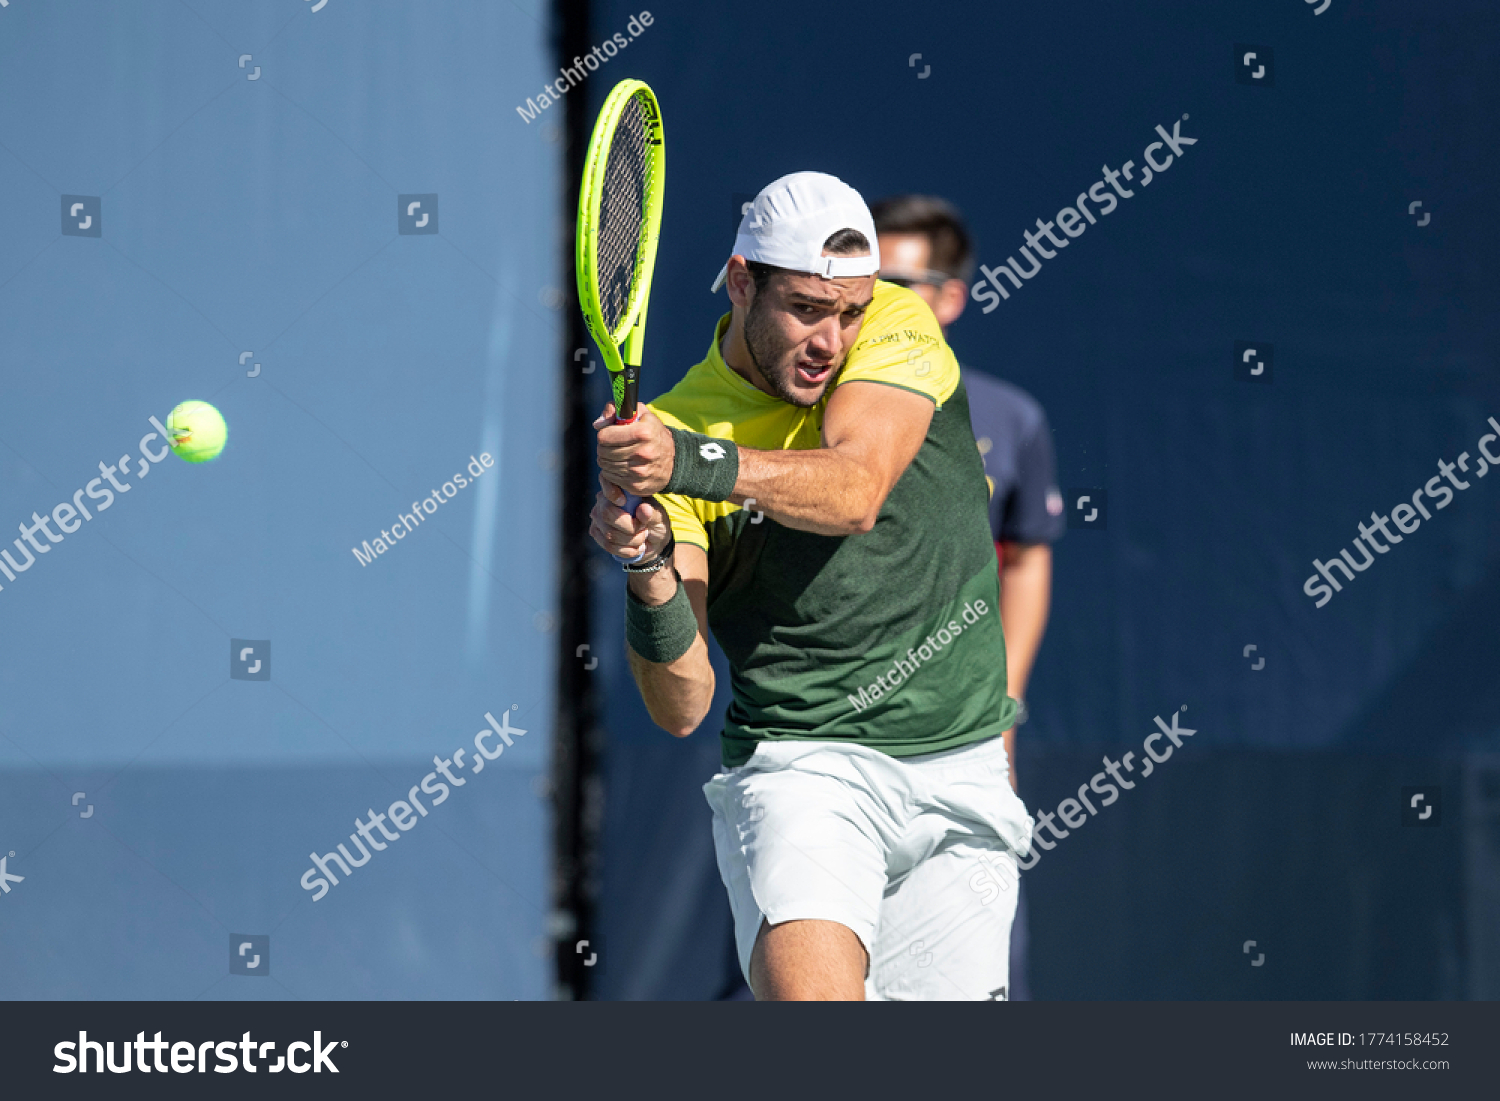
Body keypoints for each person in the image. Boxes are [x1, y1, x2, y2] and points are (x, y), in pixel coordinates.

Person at [589, 171, 1032, 1000]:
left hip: (962, 763)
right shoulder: (684, 421)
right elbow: (681, 704)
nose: (832, 337)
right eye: (805, 309)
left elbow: (855, 489)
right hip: (804, 768)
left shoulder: (896, 323)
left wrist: (687, 460)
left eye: (848, 311)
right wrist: (647, 566)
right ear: (741, 281)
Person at [872, 194, 1064, 1000]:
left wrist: (1006, 700)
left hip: (962, 729)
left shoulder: (1010, 418)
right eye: (860, 277)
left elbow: (1024, 560)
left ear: (950, 296)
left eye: (896, 280)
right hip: (822, 726)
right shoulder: (803, 403)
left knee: (969, 959)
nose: (871, 298)